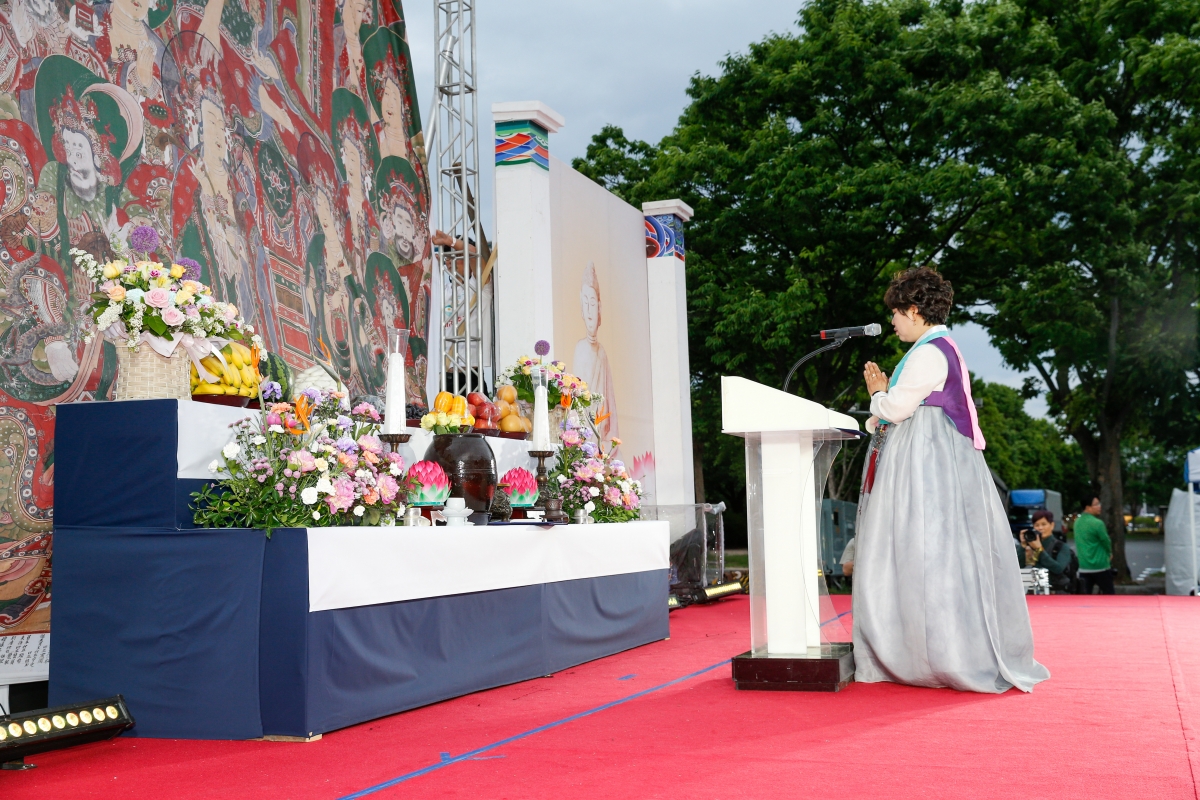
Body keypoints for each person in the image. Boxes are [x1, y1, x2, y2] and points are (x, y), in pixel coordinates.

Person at [854, 266, 1049, 693]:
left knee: (921, 554)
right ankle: (937, 649)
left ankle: (928, 655)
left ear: (913, 310)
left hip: (925, 465)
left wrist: (877, 393)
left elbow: (896, 410)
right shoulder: (938, 346)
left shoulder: (928, 352)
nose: (892, 322)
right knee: (940, 558)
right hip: (933, 459)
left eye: (896, 314)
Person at [1016, 511, 1078, 593]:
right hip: (1035, 591)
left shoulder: (1061, 546)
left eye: (1044, 524)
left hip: (1057, 592)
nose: (1040, 528)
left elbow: (1058, 569)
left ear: (1052, 525)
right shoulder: (1031, 546)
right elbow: (1017, 565)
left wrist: (1039, 549)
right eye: (1037, 525)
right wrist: (1023, 545)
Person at [1073, 495, 1114, 595]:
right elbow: (1106, 542)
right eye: (1096, 504)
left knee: (1085, 597)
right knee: (1110, 596)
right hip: (1100, 566)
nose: (1100, 506)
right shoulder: (1098, 523)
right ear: (1087, 507)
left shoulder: (1077, 523)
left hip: (1084, 566)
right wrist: (1109, 553)